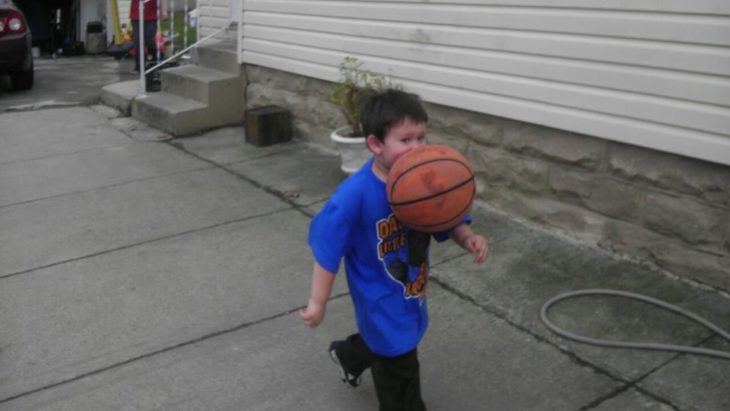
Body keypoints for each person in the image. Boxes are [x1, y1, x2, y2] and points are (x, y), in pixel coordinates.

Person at [300, 89, 489, 410]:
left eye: (422, 137)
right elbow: (327, 253)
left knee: (391, 341)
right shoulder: (353, 197)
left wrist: (466, 235)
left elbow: (444, 215)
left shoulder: (425, 180)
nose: (417, 147)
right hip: (378, 299)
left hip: (410, 289)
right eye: (406, 140)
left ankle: (348, 355)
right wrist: (317, 304)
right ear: (376, 144)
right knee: (400, 372)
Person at [130, 0, 168, 72]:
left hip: (152, 16)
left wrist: (164, 11)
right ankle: (139, 67)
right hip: (136, 16)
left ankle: (158, 56)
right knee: (138, 42)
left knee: (149, 39)